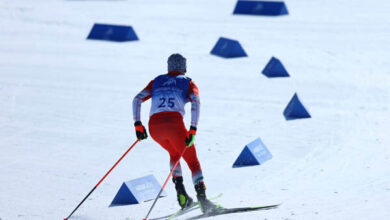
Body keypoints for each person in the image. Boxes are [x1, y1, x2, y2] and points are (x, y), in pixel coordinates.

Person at [132, 54, 217, 213]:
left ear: (168, 67)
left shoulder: (157, 81)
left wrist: (138, 125)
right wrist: (193, 129)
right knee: (193, 162)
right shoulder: (187, 82)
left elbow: (137, 99)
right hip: (174, 126)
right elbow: (196, 102)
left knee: (174, 154)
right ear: (184, 67)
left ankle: (182, 195)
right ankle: (204, 201)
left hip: (154, 128)